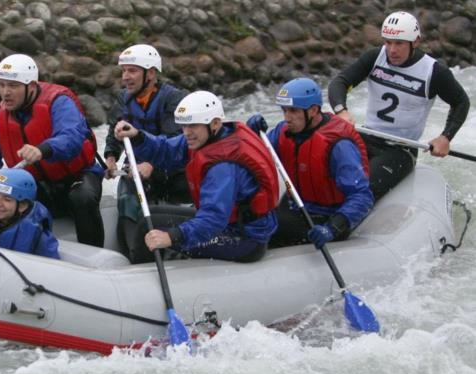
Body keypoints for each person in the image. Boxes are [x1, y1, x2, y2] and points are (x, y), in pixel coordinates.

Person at [114, 90, 279, 263]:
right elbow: (166, 150)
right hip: (226, 225)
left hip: (242, 239)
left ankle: (143, 278)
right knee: (147, 217)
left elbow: (213, 220)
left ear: (214, 124)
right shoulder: (205, 139)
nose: (186, 132)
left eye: (193, 126)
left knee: (150, 228)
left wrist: (173, 236)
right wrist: (138, 137)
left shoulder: (223, 166)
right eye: (184, 126)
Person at [0, 53, 105, 247]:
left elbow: (72, 137)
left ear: (31, 86)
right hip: (38, 185)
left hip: (77, 177)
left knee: (82, 198)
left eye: (13, 86)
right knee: (1, 204)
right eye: (2, 85)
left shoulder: (60, 102)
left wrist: (43, 149)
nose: (5, 92)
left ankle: (94, 255)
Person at [328, 11, 470, 200]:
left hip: (401, 149)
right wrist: (341, 111)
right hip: (367, 136)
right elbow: (340, 82)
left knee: (362, 188)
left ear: (416, 42)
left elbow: (461, 102)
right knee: (324, 170)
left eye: (399, 43)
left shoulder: (433, 72)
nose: (392, 50)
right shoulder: (374, 58)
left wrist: (445, 137)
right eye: (388, 42)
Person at [247, 78, 374, 249]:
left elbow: (362, 196)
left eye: (293, 111)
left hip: (327, 218)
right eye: (284, 110)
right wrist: (252, 135)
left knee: (259, 226)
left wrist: (332, 228)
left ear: (313, 110)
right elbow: (254, 158)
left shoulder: (338, 145)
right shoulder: (283, 131)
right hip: (297, 207)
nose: (287, 118)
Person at [103, 44, 191, 261]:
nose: (125, 77)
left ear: (150, 73)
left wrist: (152, 165)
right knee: (127, 197)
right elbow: (114, 132)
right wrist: (110, 157)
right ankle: (135, 255)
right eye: (124, 71)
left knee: (185, 191)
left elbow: (176, 140)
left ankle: (182, 247)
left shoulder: (173, 99)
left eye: (132, 71)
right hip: (138, 171)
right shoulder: (124, 99)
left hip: (173, 171)